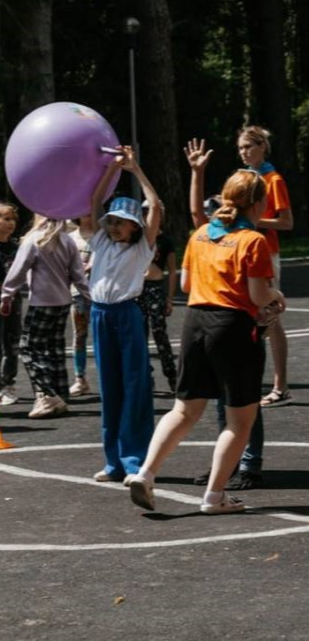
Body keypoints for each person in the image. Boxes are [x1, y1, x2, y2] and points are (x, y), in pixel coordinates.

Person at [128, 169, 284, 514]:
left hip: (195, 324)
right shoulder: (253, 240)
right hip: (232, 328)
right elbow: (259, 296)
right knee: (239, 421)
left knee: (183, 410)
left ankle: (145, 472)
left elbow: (185, 285)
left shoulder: (200, 235)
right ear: (258, 203)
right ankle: (215, 497)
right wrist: (276, 293)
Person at [185, 137, 267, 490]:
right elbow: (195, 216)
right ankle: (230, 467)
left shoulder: (249, 237)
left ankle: (248, 463)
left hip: (237, 313)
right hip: (221, 318)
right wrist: (197, 173)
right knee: (230, 399)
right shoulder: (212, 230)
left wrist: (272, 297)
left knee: (243, 402)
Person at [87, 147, 162, 483]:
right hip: (100, 315)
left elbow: (156, 207)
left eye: (122, 223)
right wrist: (109, 170)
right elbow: (94, 203)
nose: (115, 226)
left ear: (135, 227)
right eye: (112, 221)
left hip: (127, 315)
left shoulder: (143, 247)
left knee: (134, 385)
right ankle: (113, 462)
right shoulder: (101, 243)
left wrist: (135, 170)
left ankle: (135, 462)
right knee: (110, 387)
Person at [0, 214, 90, 419]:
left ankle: (48, 396)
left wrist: (6, 296)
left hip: (42, 302)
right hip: (63, 301)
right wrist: (88, 296)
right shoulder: (67, 239)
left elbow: (18, 270)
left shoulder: (34, 239)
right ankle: (60, 393)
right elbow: (78, 274)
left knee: (29, 348)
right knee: (54, 348)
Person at [231, 126, 293, 409]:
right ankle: (255, 381)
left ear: (262, 147)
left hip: (266, 252)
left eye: (248, 147)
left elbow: (287, 222)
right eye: (241, 147)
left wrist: (255, 221)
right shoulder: (243, 178)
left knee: (270, 317)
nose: (244, 152)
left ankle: (280, 385)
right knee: (251, 315)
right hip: (244, 249)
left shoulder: (273, 179)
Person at [136, 201, 178, 394]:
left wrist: (169, 298)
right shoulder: (138, 238)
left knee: (160, 333)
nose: (148, 216)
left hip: (155, 289)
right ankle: (146, 375)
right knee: (140, 335)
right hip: (139, 289)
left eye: (151, 212)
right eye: (143, 213)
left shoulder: (166, 240)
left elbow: (171, 271)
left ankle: (171, 375)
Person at [67, 215, 96, 398]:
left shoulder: (101, 235)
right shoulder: (71, 238)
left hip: (100, 293)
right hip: (77, 293)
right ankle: (80, 379)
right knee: (79, 336)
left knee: (104, 336)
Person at [0, 203, 21, 406]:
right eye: (6, 219)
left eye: (13, 219)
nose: (11, 223)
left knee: (11, 344)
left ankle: (7, 385)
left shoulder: (17, 248)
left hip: (12, 304)